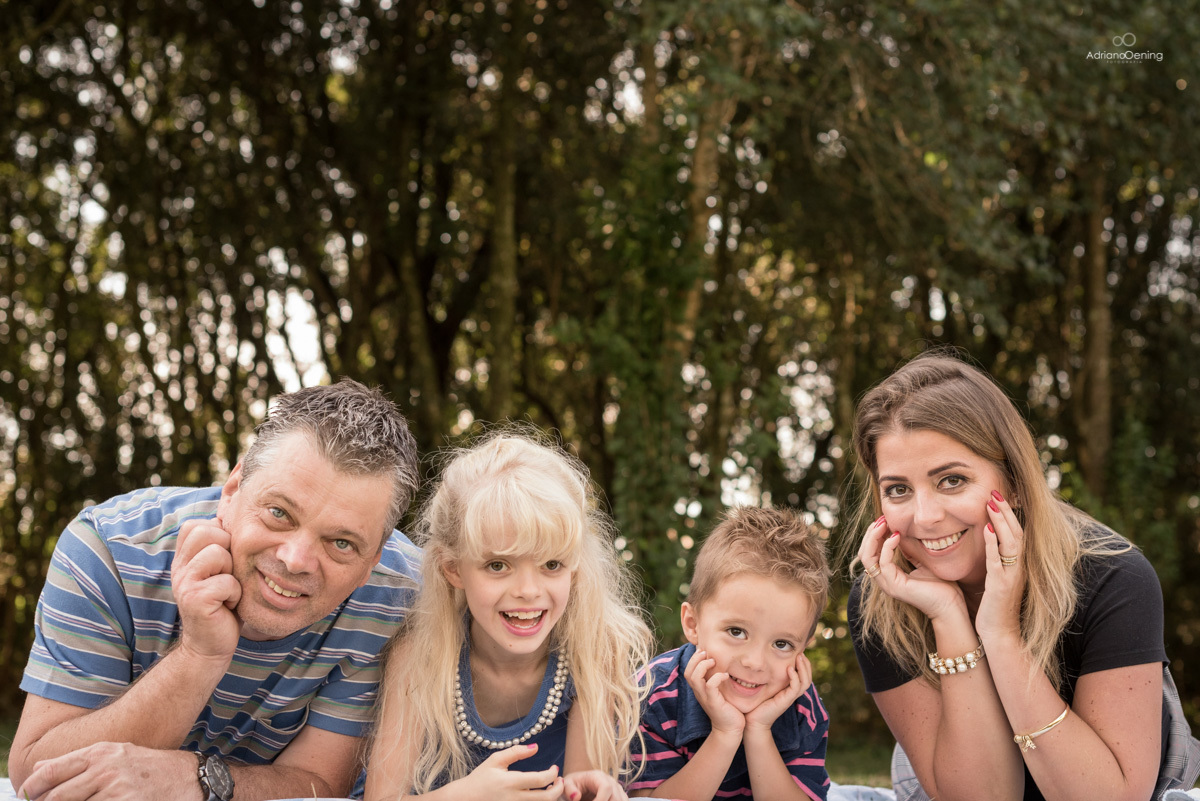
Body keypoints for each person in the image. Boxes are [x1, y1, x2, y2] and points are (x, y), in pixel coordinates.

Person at [10, 379, 422, 801]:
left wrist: (196, 778)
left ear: (374, 559)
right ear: (233, 488)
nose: (295, 559)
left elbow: (320, 783)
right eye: (279, 513)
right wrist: (199, 656)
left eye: (341, 543)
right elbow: (39, 775)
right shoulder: (109, 551)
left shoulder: (403, 596)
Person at [848, 352, 1200, 801]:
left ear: (1013, 481)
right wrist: (949, 617)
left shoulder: (1113, 576)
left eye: (952, 480)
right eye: (898, 489)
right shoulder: (878, 601)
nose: (926, 516)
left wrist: (1001, 634)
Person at [365, 433, 652, 801]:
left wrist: (590, 788)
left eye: (552, 564)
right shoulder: (420, 656)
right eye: (498, 565)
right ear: (453, 570)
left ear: (574, 569)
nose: (528, 590)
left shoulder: (594, 649)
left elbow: (579, 785)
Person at [628, 505, 832, 801]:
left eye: (782, 644)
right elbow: (648, 800)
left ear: (804, 646)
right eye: (736, 632)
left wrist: (759, 731)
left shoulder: (803, 707)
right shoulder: (652, 695)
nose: (754, 662)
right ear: (693, 624)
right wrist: (725, 734)